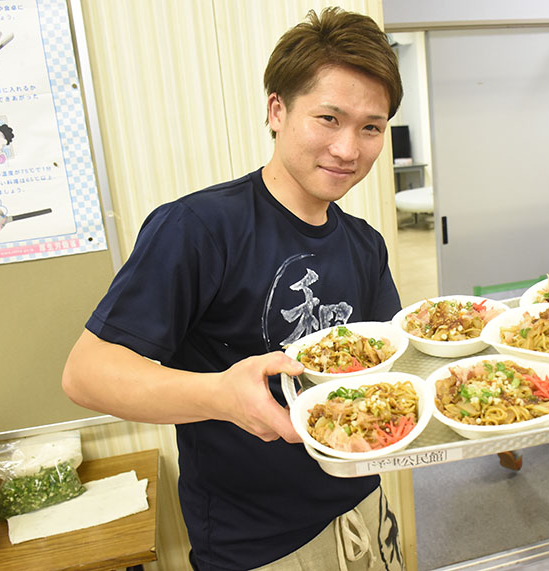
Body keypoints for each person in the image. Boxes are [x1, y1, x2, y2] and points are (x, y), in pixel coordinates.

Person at [62, 8, 406, 570]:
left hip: (362, 505)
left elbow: (391, 363)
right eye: (328, 118)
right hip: (257, 544)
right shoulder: (197, 228)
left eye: (371, 127)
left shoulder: (364, 243)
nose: (349, 149)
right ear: (277, 110)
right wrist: (221, 395)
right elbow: (86, 373)